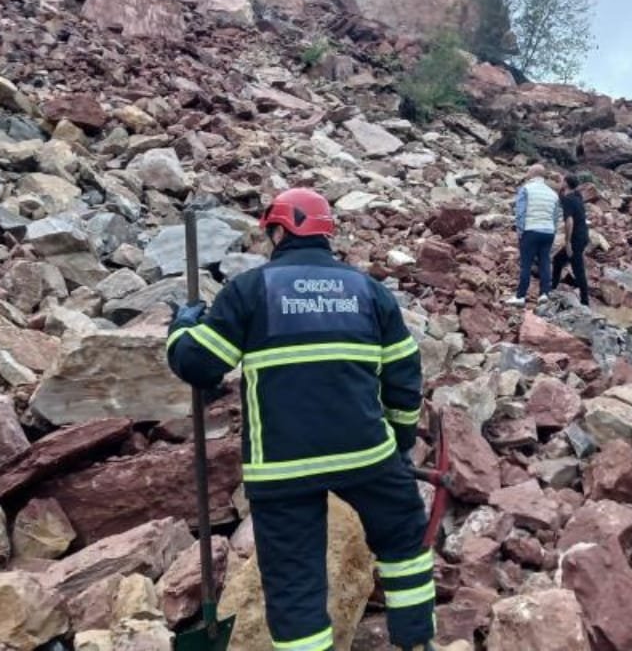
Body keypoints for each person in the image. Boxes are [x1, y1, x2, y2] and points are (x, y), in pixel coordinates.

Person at [166, 188, 436, 651]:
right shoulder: (367, 290)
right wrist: (402, 441)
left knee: (294, 580)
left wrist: (182, 328)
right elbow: (405, 373)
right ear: (325, 232)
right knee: (404, 542)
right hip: (366, 454)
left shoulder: (251, 290)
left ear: (279, 229)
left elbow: (199, 365)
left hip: (283, 467)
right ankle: (416, 642)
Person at [506, 164, 561, 306]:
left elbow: (520, 213)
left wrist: (520, 231)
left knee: (526, 264)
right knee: (545, 262)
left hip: (530, 230)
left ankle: (520, 296)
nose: (526, 173)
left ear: (532, 173)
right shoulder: (553, 193)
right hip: (548, 232)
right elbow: (556, 216)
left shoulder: (526, 189)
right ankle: (544, 294)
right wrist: (552, 231)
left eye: (528, 170)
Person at [551, 173, 591, 306]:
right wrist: (560, 184)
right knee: (558, 260)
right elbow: (560, 197)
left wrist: (567, 243)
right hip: (584, 235)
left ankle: (585, 301)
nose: (561, 182)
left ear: (566, 184)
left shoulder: (569, 200)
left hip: (576, 239)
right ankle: (552, 288)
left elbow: (569, 221)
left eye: (563, 180)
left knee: (578, 268)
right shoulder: (576, 196)